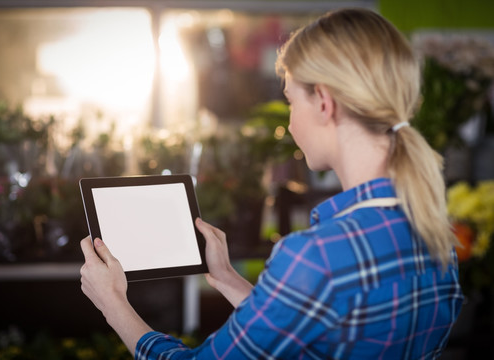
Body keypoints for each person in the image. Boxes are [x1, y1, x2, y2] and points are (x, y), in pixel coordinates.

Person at [80, 7, 464, 359]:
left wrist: (113, 303)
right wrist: (229, 279)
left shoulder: (317, 256)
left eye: (291, 102)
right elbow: (315, 335)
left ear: (324, 102)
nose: (291, 122)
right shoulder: (436, 235)